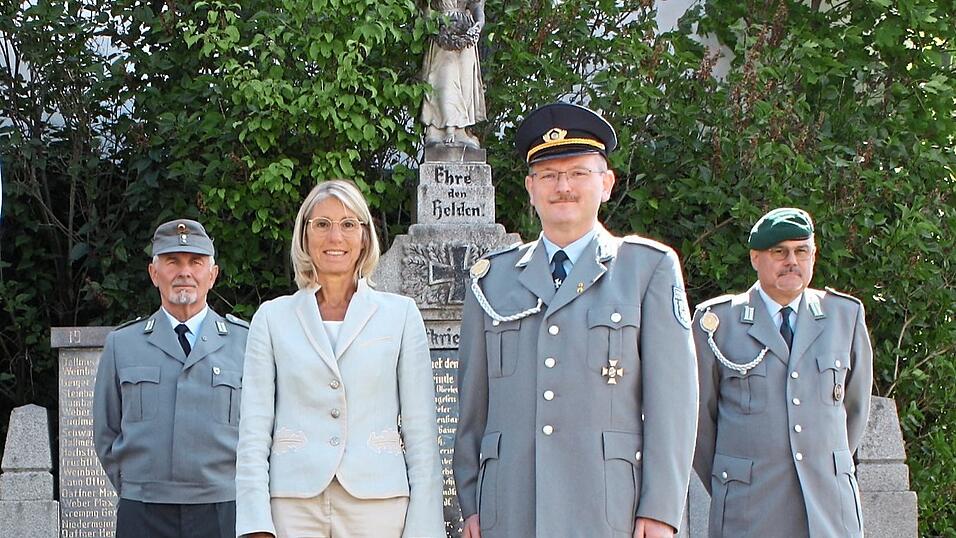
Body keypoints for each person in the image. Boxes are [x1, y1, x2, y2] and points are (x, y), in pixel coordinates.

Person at [453, 102, 699, 538]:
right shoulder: (491, 280)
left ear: (606, 184)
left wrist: (660, 510)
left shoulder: (646, 270)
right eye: (548, 175)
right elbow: (474, 406)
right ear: (530, 188)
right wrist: (471, 502)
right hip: (509, 506)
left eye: (578, 173)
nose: (562, 186)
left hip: (608, 507)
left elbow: (672, 405)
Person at [235, 180, 445, 538]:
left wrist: (424, 526)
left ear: (364, 236)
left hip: (377, 503)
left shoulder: (400, 315)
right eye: (322, 224)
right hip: (292, 504)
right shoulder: (271, 318)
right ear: (305, 235)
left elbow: (421, 430)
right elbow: (253, 432)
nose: (335, 237)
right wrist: (255, 523)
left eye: (348, 224)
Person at [692, 207, 874, 538]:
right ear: (755, 258)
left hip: (828, 508)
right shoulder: (718, 324)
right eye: (779, 252)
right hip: (749, 508)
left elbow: (855, 409)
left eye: (801, 251)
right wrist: (732, 476)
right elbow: (699, 423)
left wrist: (823, 463)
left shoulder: (844, 316)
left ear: (813, 256)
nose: (792, 261)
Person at [93, 219, 249, 538]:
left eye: (196, 262)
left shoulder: (247, 343)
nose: (184, 272)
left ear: (213, 274)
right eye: (172, 261)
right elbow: (105, 430)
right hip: (144, 510)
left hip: (223, 508)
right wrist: (138, 486)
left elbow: (264, 432)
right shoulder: (122, 344)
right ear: (154, 274)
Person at [420, 0, 487, 148]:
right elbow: (424, 7)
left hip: (466, 33)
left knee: (465, 84)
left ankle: (460, 129)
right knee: (444, 80)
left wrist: (479, 24)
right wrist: (433, 26)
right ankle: (440, 129)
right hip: (442, 30)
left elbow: (476, 6)